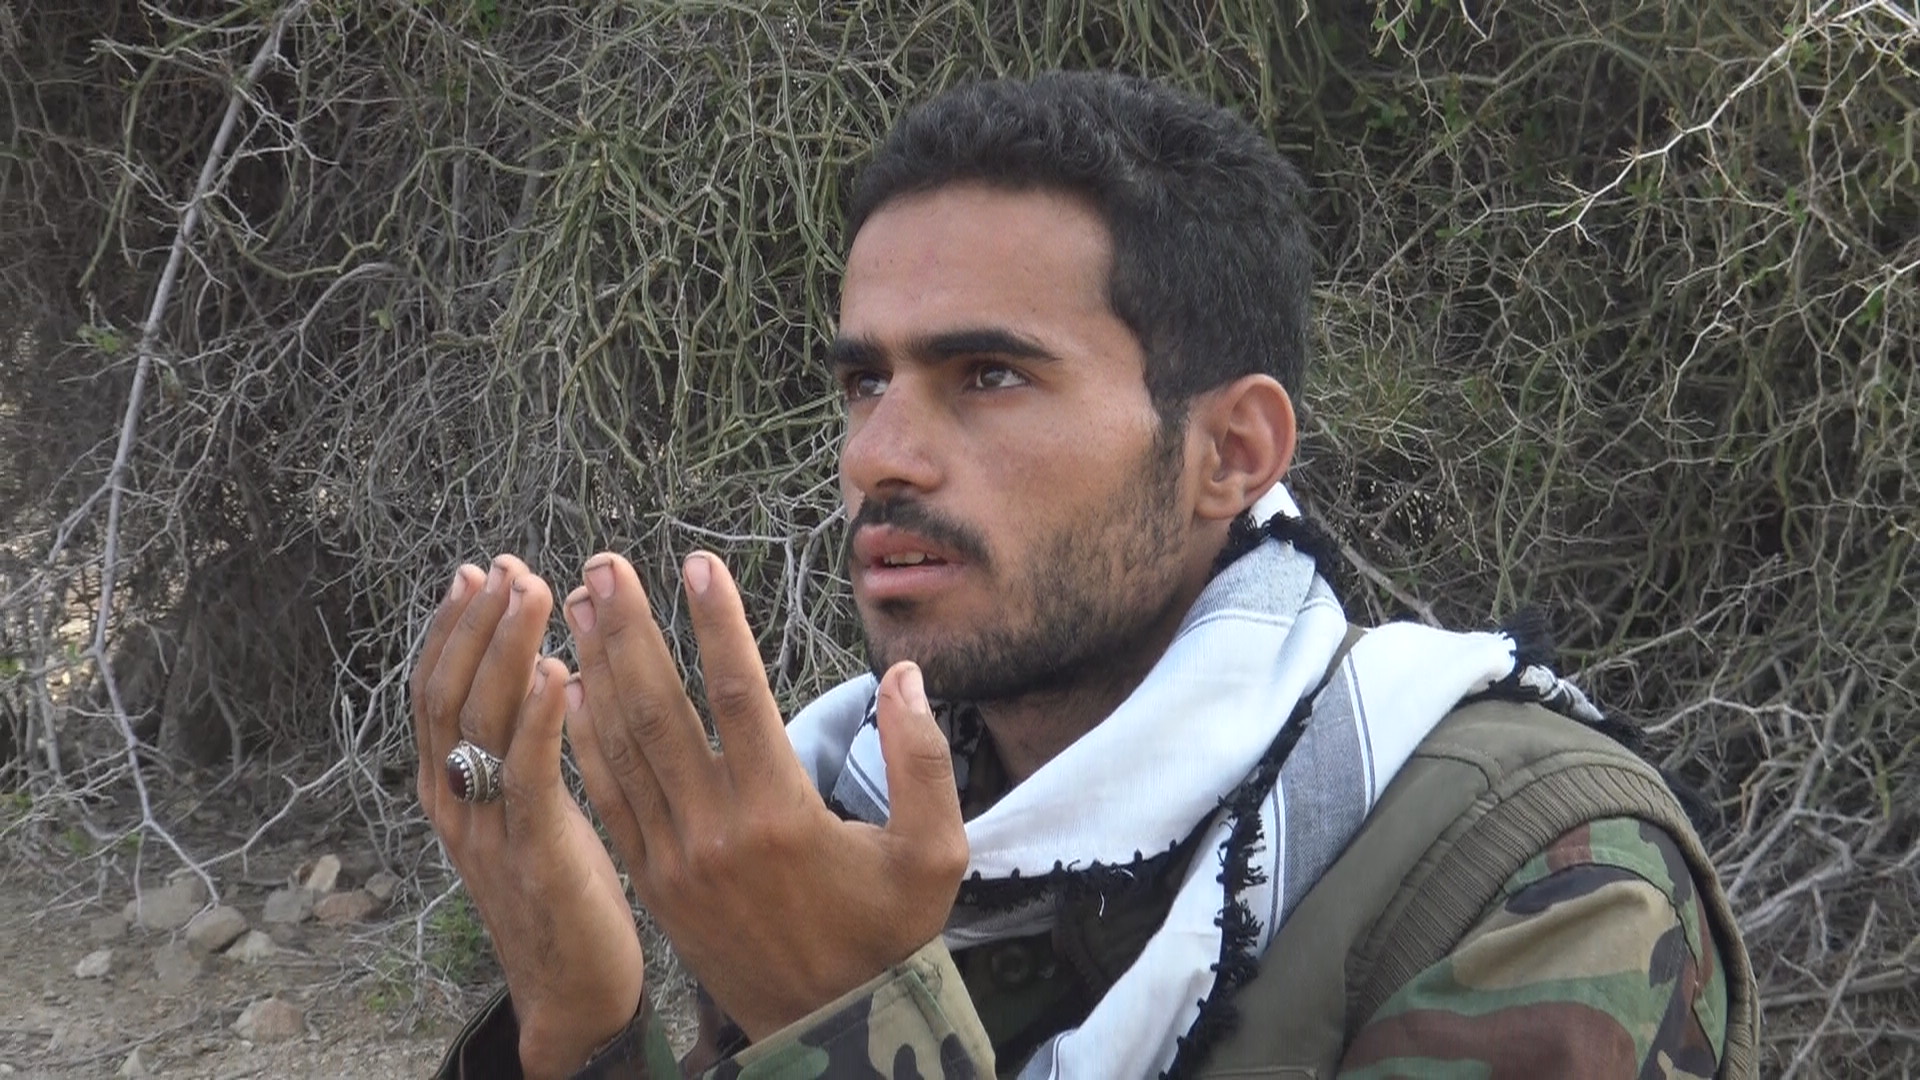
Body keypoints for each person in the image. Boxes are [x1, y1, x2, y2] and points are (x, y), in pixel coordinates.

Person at [412, 72, 1758, 1079]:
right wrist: (578, 1026)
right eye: (866, 381)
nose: (878, 453)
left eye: (989, 376)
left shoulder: (1523, 875)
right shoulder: (851, 812)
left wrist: (849, 1022)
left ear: (1230, 451)